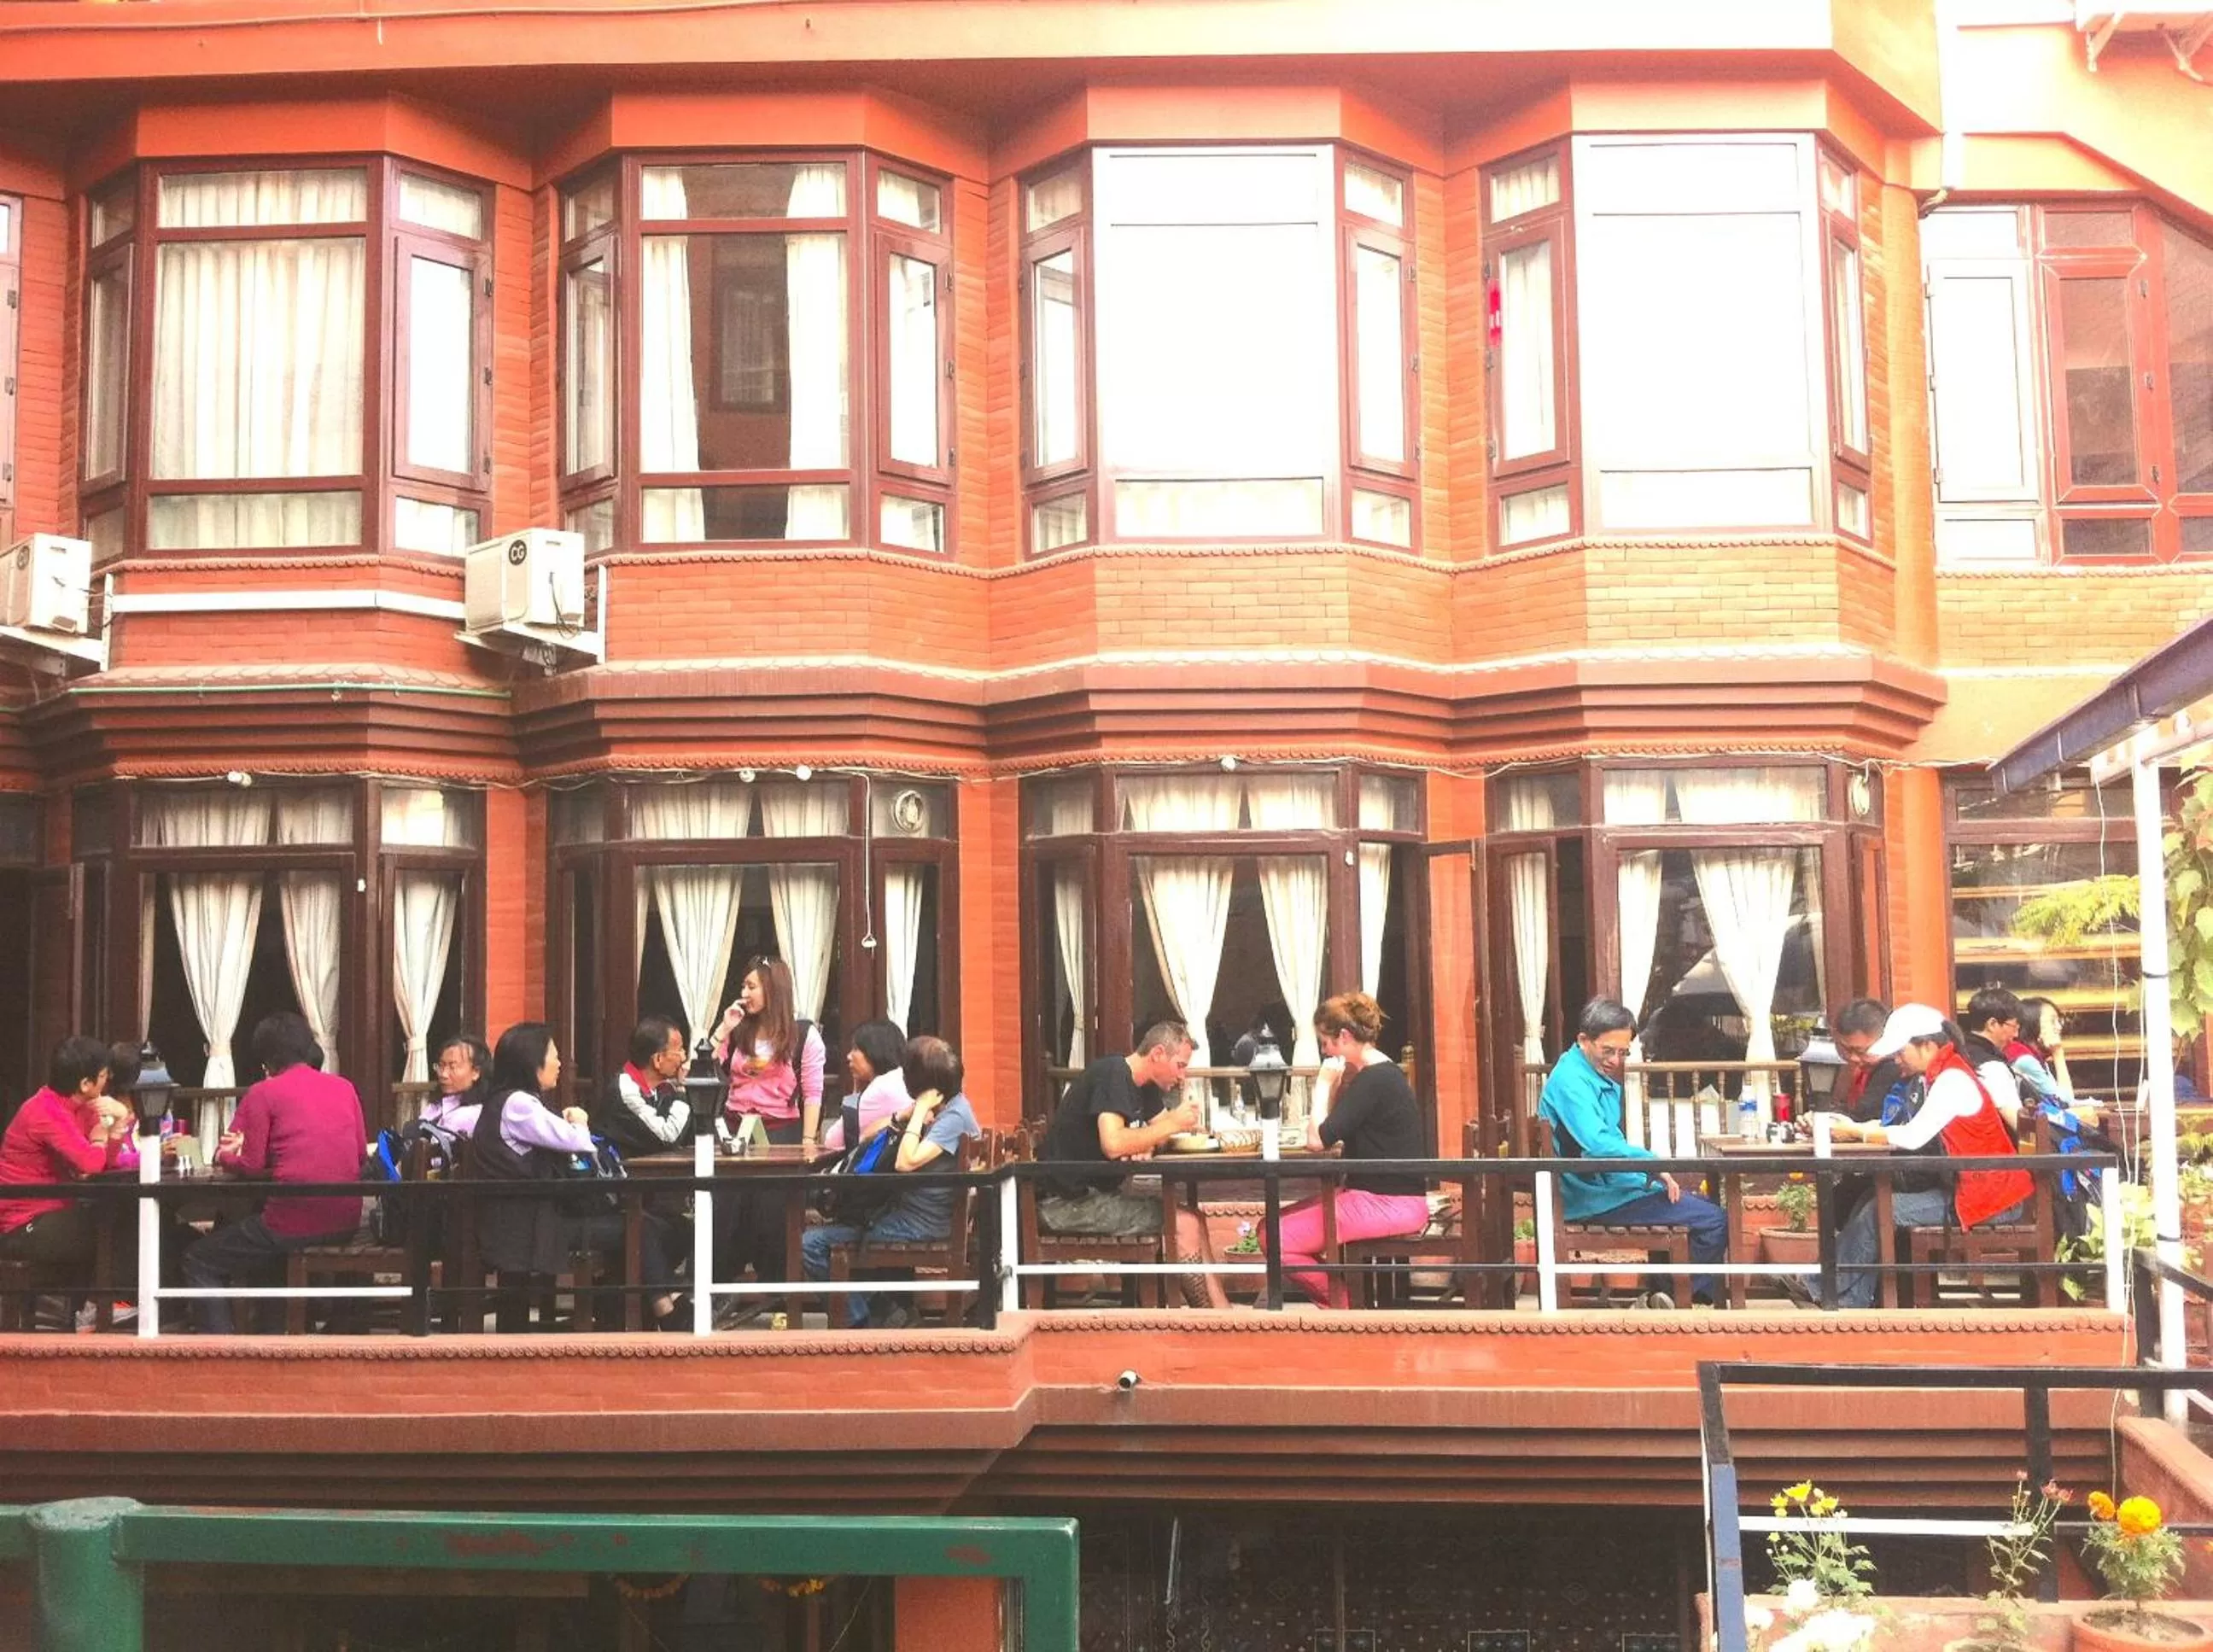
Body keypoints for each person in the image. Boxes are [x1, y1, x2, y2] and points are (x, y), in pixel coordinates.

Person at [470, 1022, 681, 1331]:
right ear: (532, 1061)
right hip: (530, 1226)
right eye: (554, 1055)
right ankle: (663, 1310)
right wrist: (580, 1120)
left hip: (530, 1218)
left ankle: (633, 1308)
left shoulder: (512, 1101)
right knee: (638, 1226)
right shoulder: (518, 1104)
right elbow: (578, 1142)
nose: (560, 1063)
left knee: (652, 1224)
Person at [1825, 1004, 2034, 1310]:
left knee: (1882, 1208)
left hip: (1990, 1198)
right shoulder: (1937, 1076)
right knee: (1872, 1198)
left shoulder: (1952, 1080)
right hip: (1973, 1188)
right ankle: (1846, 1294)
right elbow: (1902, 1125)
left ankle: (1832, 1289)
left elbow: (1912, 1136)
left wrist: (1857, 1133)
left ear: (1927, 1045)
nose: (1896, 1060)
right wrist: (1857, 1128)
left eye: (1900, 1052)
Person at [184, 1013, 368, 1334]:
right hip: (345, 1220)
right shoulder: (344, 1087)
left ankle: (219, 1348)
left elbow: (252, 1167)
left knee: (198, 1259)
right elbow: (359, 1155)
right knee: (265, 1249)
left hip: (290, 1221)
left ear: (266, 1058)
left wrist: (225, 1157)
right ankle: (271, 1327)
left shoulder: (264, 1093)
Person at [1537, 997, 1728, 1308]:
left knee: (1693, 1206)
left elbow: (1604, 1143)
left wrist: (1644, 1173)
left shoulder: (1584, 1074)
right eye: (1608, 1050)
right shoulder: (1571, 1082)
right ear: (1583, 1040)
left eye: (1623, 1052)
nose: (1616, 1060)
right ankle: (1679, 1299)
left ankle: (1662, 1298)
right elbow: (1597, 1144)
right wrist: (1650, 1165)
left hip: (1601, 1186)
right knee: (1713, 1219)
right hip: (1592, 1196)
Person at [1037, 1019, 1230, 1310]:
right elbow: (1114, 1143)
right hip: (1065, 1205)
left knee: (1195, 1218)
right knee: (1185, 1224)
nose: (1182, 1076)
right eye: (1180, 1065)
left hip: (1095, 1197)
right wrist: (1166, 1128)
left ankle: (1223, 1313)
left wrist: (1149, 1141)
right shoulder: (1113, 1074)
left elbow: (1162, 1133)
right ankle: (1206, 1319)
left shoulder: (1144, 1086)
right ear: (1157, 1054)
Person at [801, 1035, 980, 1328]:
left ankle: (863, 1319)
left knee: (811, 1244)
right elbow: (866, 1137)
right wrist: (904, 1115)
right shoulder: (949, 1107)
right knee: (825, 1234)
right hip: (902, 1215)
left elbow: (905, 1162)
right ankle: (880, 1312)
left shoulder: (954, 1117)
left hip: (917, 1225)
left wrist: (919, 1111)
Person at [1268, 993, 1428, 1309]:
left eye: (1325, 1042)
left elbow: (1317, 1141)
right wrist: (1333, 1088)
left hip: (1388, 1203)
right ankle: (1345, 1304)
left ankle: (1346, 1307)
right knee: (1270, 1226)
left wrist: (1322, 1085)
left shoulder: (1373, 1080)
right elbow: (1332, 1130)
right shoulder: (1381, 1075)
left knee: (1274, 1236)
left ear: (1344, 1036)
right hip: (1384, 1197)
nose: (1325, 1051)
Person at [0, 1036, 133, 1282]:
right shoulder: (44, 1111)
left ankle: (103, 1301)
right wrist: (101, 1138)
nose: (107, 1082)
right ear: (85, 1083)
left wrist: (118, 1126)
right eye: (103, 1076)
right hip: (24, 1223)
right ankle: (103, 1302)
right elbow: (90, 1163)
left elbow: (106, 1163)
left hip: (59, 1211)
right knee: (117, 1229)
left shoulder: (84, 1106)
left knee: (126, 1219)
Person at [711, 957, 826, 1153]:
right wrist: (723, 1029)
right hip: (733, 1128)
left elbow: (812, 1094)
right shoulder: (736, 1027)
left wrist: (808, 1141)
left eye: (751, 987)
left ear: (773, 989)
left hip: (780, 1132)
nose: (744, 994)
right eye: (743, 987)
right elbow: (700, 1070)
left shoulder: (803, 1034)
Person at [591, 1016, 693, 1159]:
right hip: (616, 1171)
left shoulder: (662, 1089)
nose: (683, 1058)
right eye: (679, 1050)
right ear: (658, 1059)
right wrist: (681, 1089)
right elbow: (668, 1136)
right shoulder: (627, 1090)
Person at [819, 1019, 910, 1154]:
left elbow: (832, 1141)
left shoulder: (882, 1088)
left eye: (856, 1049)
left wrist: (856, 1095)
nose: (849, 1056)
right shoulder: (900, 1078)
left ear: (875, 1051)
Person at [1831, 998, 1910, 1126]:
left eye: (1861, 1051)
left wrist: (1826, 1119)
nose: (1853, 1058)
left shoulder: (1892, 1068)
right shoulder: (1865, 1071)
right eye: (1847, 1050)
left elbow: (1862, 1115)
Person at [1961, 987, 2029, 1129]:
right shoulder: (1992, 1068)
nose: (2016, 1035)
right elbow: (2021, 1126)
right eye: (2014, 1027)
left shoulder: (1959, 1052)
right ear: (1992, 1024)